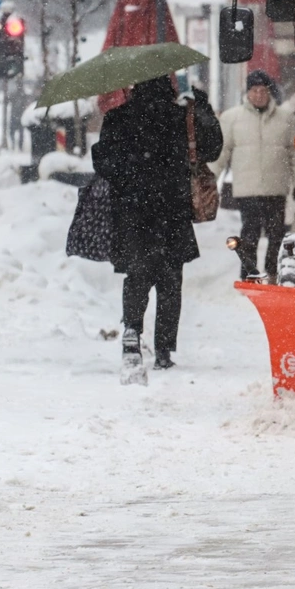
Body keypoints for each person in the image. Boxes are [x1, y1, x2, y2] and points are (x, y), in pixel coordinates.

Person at [92, 78, 222, 371]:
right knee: (170, 281)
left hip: (133, 212)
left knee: (137, 275)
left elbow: (102, 164)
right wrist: (202, 107)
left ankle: (132, 331)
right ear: (169, 87)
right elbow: (212, 149)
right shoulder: (180, 117)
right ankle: (163, 349)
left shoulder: (118, 118)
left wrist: (128, 177)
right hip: (172, 210)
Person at [212, 70, 295, 282]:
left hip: (276, 187)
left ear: (269, 92)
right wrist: (210, 179)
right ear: (248, 93)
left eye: (263, 90)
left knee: (276, 234)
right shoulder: (232, 118)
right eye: (255, 90)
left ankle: (272, 272)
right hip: (247, 188)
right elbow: (222, 151)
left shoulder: (286, 118)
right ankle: (249, 274)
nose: (259, 95)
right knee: (250, 234)